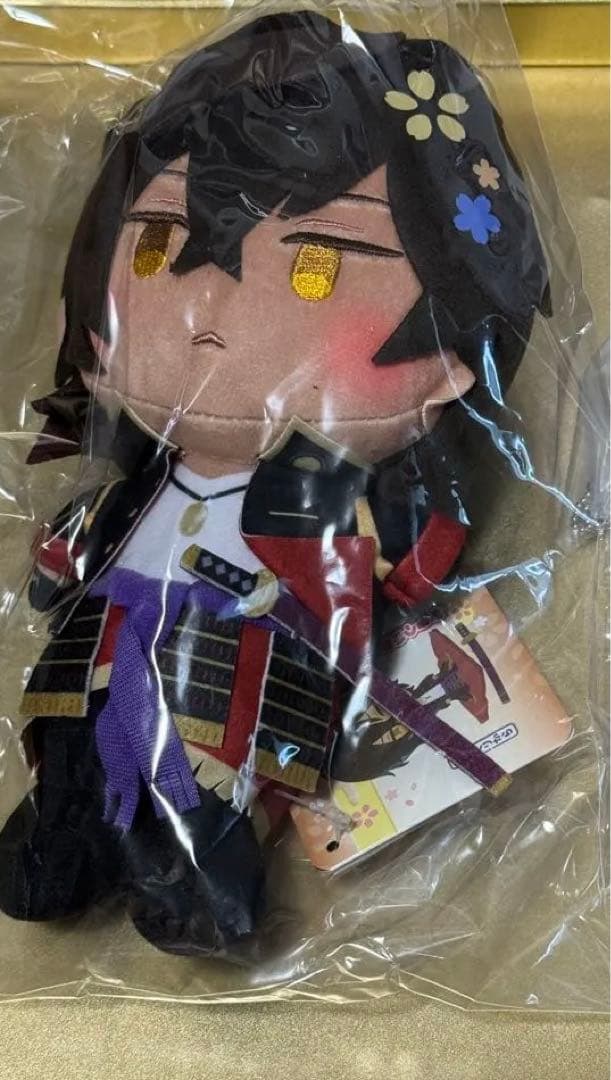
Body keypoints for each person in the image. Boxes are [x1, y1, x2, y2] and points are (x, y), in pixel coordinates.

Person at [0, 10, 549, 956]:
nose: (209, 313)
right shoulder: (138, 482)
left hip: (238, 678)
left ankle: (199, 862)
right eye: (155, 244)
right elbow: (70, 560)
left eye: (318, 266)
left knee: (212, 771)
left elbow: (404, 573)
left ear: (455, 357)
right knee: (79, 740)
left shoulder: (330, 502)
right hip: (103, 650)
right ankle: (64, 824)